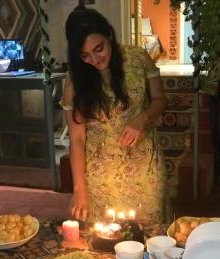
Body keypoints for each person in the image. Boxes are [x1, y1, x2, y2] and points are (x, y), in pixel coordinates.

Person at [60, 4, 167, 224]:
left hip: (143, 169)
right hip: (100, 178)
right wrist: (79, 189)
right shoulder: (75, 80)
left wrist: (142, 118)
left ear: (109, 34)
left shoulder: (138, 58)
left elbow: (160, 101)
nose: (95, 59)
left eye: (99, 48)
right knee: (105, 247)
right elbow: (77, 139)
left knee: (146, 240)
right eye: (85, 55)